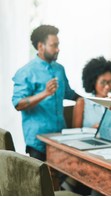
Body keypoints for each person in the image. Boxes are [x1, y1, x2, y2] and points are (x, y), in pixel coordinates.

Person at [12, 25, 80, 161]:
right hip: (38, 142)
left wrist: (95, 101)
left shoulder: (60, 69)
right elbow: (18, 104)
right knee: (43, 181)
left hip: (61, 139)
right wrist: (45, 93)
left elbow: (68, 93)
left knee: (64, 178)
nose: (58, 49)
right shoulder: (26, 72)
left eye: (58, 45)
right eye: (53, 45)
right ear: (40, 46)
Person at [72, 56, 111, 129]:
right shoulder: (82, 103)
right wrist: (92, 129)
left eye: (110, 82)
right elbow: (74, 133)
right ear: (94, 82)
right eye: (103, 82)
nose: (107, 86)